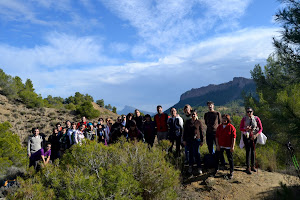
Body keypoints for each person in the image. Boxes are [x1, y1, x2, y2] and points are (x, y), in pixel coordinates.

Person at [240, 107, 263, 174]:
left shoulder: (256, 118)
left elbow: (261, 128)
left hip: (254, 136)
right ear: (246, 112)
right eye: (248, 112)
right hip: (246, 136)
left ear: (252, 112)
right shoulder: (244, 119)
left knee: (253, 150)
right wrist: (246, 129)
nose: (249, 113)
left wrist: (256, 135)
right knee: (248, 151)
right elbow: (240, 128)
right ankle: (248, 167)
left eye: (250, 111)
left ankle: (253, 166)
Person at [214, 114, 236, 179]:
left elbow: (233, 137)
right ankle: (216, 169)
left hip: (228, 145)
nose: (224, 120)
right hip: (220, 145)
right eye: (223, 118)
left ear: (228, 120)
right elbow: (217, 136)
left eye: (226, 119)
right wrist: (217, 145)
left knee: (230, 158)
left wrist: (232, 146)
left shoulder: (231, 127)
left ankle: (231, 171)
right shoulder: (219, 127)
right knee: (217, 157)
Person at [204, 101, 226, 166]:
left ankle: (222, 162)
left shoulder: (217, 113)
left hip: (216, 132)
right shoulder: (206, 114)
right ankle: (213, 162)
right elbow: (206, 122)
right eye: (208, 105)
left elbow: (220, 122)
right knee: (210, 148)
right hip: (208, 132)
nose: (210, 106)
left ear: (213, 105)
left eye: (211, 105)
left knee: (218, 147)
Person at [183, 110, 204, 174]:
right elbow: (185, 132)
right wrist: (184, 140)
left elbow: (201, 132)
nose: (193, 115)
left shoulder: (199, 122)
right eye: (192, 114)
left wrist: (202, 141)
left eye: (194, 114)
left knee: (197, 153)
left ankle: (199, 167)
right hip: (189, 140)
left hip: (197, 140)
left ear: (196, 115)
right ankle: (190, 166)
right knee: (191, 154)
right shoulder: (187, 122)